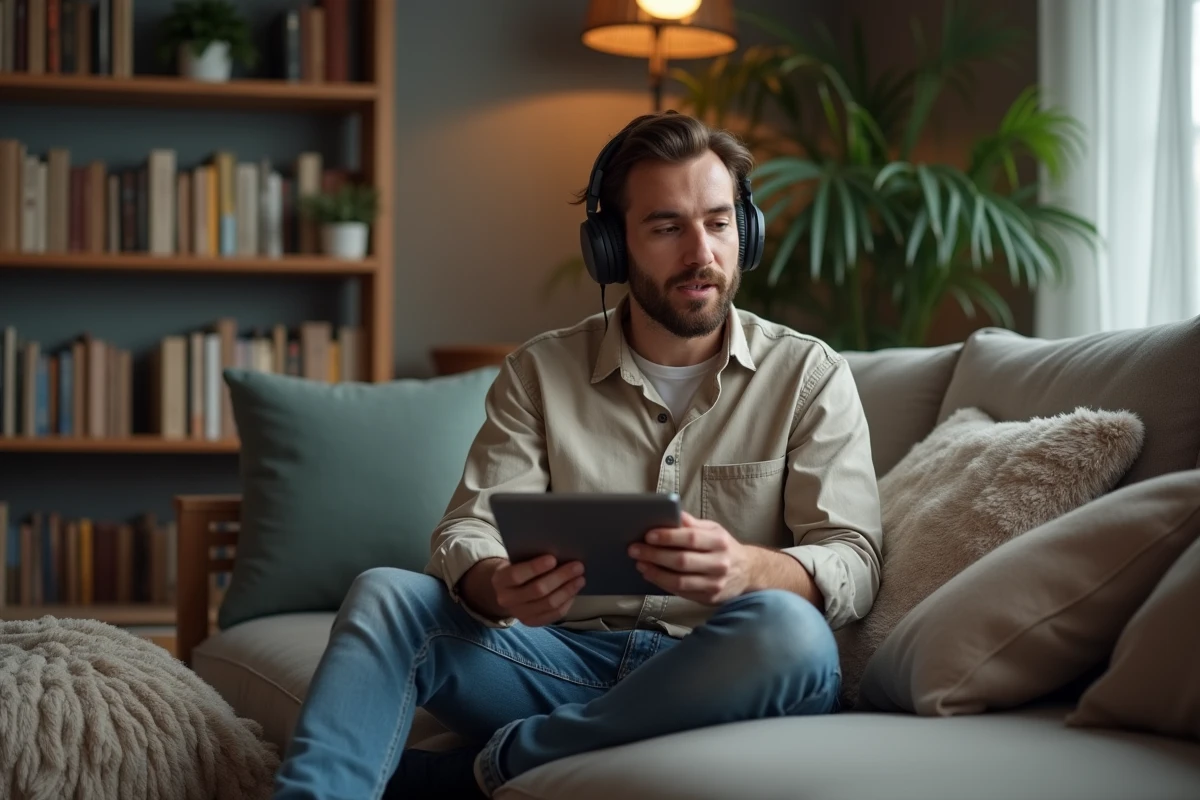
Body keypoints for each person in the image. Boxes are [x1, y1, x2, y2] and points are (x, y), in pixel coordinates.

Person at [272, 111, 883, 800]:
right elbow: (465, 533)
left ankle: (486, 770)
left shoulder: (809, 375)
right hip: (563, 658)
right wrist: (496, 583)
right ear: (611, 248)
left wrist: (748, 568)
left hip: (721, 664)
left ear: (746, 231)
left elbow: (853, 559)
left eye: (717, 223)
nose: (701, 253)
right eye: (665, 227)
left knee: (790, 633)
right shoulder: (539, 372)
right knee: (387, 595)